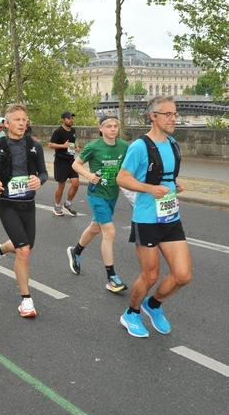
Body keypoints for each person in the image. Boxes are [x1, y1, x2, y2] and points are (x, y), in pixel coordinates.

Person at [117, 96, 193, 338]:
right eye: (168, 114)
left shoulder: (173, 144)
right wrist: (150, 189)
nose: (173, 119)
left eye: (175, 114)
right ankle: (131, 313)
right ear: (153, 116)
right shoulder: (139, 146)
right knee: (150, 275)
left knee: (183, 275)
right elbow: (123, 178)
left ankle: (153, 304)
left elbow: (164, 173)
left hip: (170, 217)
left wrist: (173, 184)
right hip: (147, 218)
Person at [0, 104, 48, 318]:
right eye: (17, 120)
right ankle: (26, 300)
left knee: (27, 246)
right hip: (7, 203)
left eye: (24, 119)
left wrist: (39, 181)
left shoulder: (35, 146)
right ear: (7, 123)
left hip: (28, 204)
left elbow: (44, 173)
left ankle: (0, 250)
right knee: (23, 251)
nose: (22, 123)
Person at [67, 115, 129, 293]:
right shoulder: (94, 147)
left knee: (95, 228)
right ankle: (111, 277)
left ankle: (76, 251)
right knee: (109, 231)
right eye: (108, 126)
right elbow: (76, 165)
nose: (113, 129)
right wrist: (89, 176)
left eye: (115, 126)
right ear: (101, 129)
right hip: (97, 195)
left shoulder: (124, 146)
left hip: (112, 194)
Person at [48, 111, 80, 216]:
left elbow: (74, 141)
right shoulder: (58, 131)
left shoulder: (73, 130)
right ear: (64, 119)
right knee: (61, 186)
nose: (72, 120)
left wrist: (76, 147)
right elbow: (50, 145)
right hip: (60, 162)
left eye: (72, 118)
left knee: (76, 183)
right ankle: (57, 206)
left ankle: (67, 204)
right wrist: (63, 146)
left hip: (71, 160)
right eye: (69, 118)